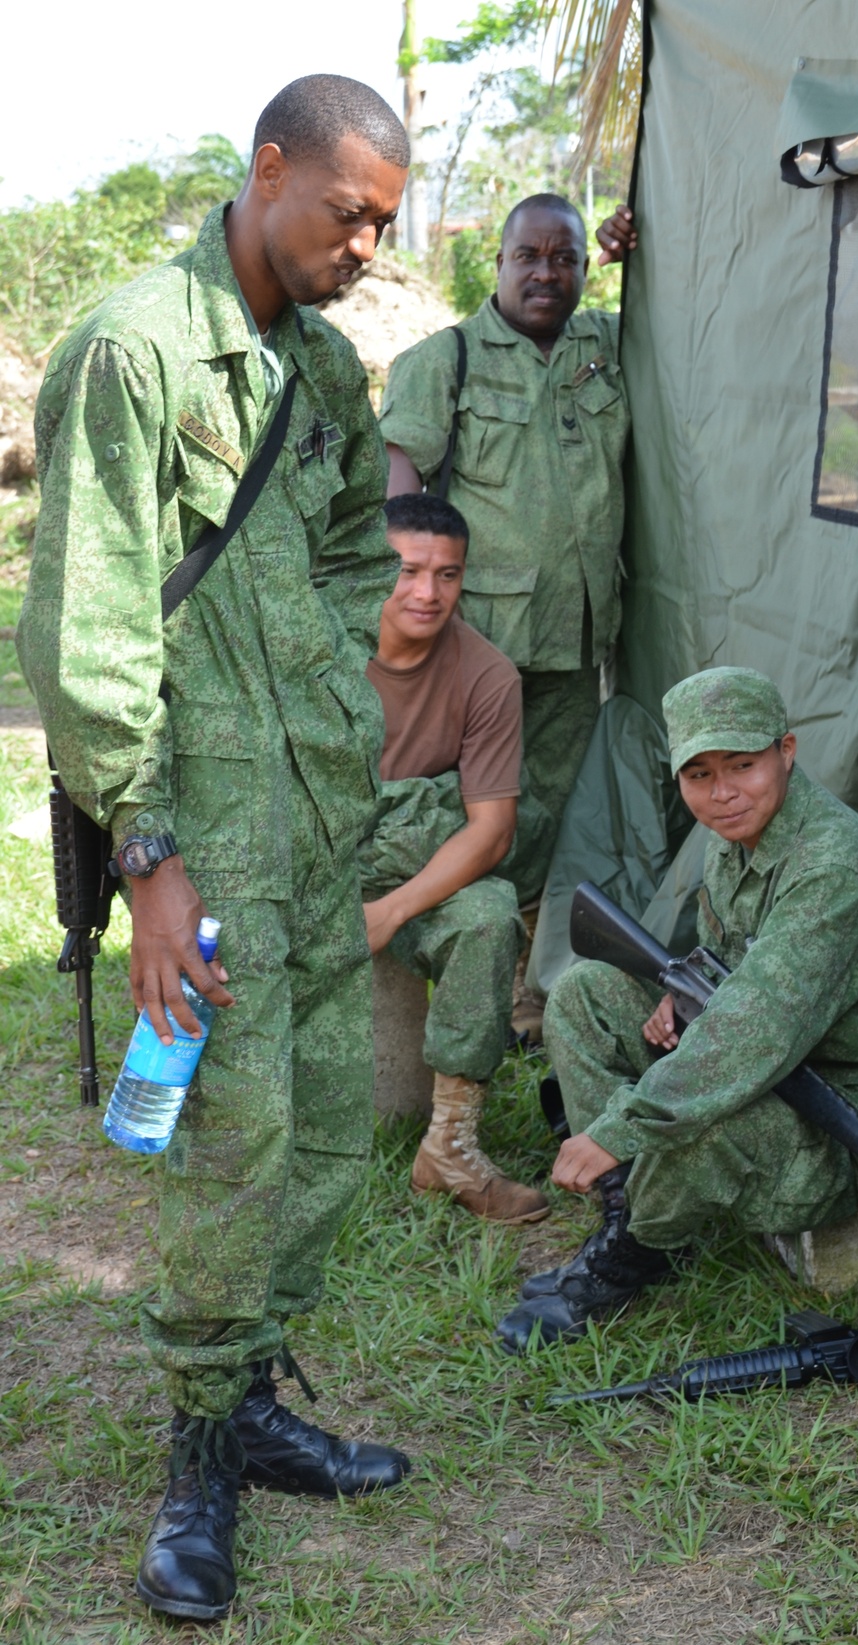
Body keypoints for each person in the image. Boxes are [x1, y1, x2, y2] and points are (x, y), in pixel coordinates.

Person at [18, 75, 413, 1621]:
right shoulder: (133, 345)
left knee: (322, 1131)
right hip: (206, 840)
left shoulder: (319, 363)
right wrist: (151, 857)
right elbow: (88, 626)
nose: (368, 246)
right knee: (232, 1140)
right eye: (348, 212)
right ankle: (198, 1447)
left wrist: (324, 684)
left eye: (387, 222)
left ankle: (252, 1391)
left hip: (319, 811)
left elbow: (354, 551)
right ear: (267, 174)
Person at [495, 667, 858, 1352]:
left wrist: (621, 1127)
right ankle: (634, 1212)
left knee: (692, 1125)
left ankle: (630, 1253)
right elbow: (728, 963)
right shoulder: (733, 835)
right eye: (699, 774)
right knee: (585, 993)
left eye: (743, 764)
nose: (723, 792)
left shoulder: (834, 864)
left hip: (856, 1110)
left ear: (786, 752)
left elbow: (757, 1028)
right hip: (780, 1063)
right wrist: (683, 999)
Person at [379, 194, 633, 1033]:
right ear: (498, 261)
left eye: (564, 258)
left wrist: (639, 248)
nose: (545, 273)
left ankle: (525, 985)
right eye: (529, 255)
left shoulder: (606, 348)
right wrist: (419, 615)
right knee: (468, 806)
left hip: (578, 634)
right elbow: (399, 497)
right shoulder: (444, 360)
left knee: (551, 808)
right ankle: (439, 954)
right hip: (481, 643)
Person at [360, 491, 549, 1224]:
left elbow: (491, 830)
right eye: (407, 570)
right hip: (311, 862)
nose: (426, 592)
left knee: (489, 912)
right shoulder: (324, 646)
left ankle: (449, 1143)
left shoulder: (487, 674)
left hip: (412, 878)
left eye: (447, 575)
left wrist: (391, 911)